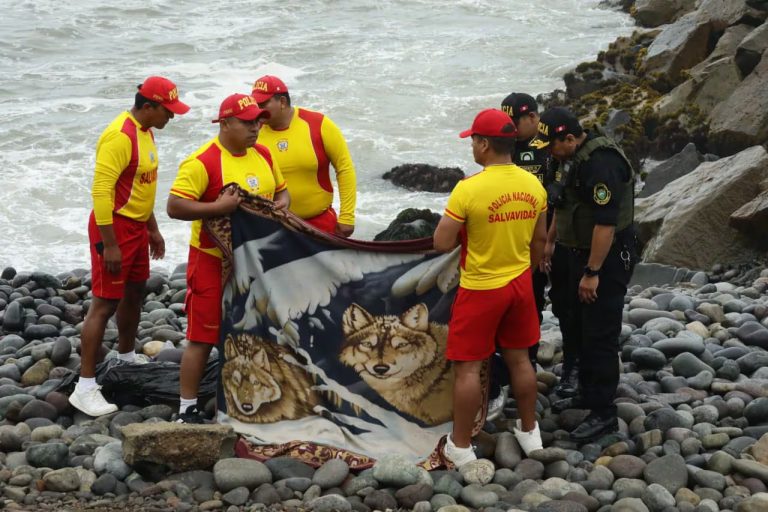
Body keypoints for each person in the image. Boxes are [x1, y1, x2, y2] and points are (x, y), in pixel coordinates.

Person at [69, 76, 190, 417]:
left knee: (135, 292)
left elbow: (142, 186)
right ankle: (85, 387)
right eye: (168, 111)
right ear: (148, 107)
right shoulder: (119, 136)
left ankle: (125, 357)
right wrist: (109, 244)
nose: (172, 117)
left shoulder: (147, 132)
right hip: (114, 227)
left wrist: (153, 229)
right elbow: (101, 191)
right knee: (104, 303)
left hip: (137, 227)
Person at [434, 108, 547, 467]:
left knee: (468, 369)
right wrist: (524, 270)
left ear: (484, 144)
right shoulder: (534, 185)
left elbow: (441, 242)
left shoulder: (468, 189)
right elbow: (540, 241)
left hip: (481, 287)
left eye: (473, 141)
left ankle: (460, 445)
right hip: (520, 284)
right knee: (520, 360)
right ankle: (529, 431)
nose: (472, 147)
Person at [167, 93, 290, 423]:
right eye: (248, 122)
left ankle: (254, 401)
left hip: (256, 259)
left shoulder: (263, 153)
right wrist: (218, 208)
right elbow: (174, 206)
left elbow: (282, 189)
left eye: (258, 121)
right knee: (202, 336)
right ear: (225, 124)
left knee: (257, 331)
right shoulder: (203, 162)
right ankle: (187, 408)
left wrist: (282, 204)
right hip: (211, 259)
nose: (256, 128)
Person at [530, 106, 636, 442]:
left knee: (599, 332)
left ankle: (604, 412)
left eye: (551, 145)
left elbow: (605, 225)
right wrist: (550, 243)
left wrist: (592, 273)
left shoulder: (601, 164)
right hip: (573, 249)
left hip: (606, 256)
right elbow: (562, 205)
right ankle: (586, 393)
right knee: (575, 321)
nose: (548, 153)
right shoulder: (566, 158)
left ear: (570, 138)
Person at [502, 93, 576, 396]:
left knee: (566, 304)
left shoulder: (551, 145)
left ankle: (572, 368)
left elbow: (566, 188)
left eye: (513, 123)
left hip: (556, 237)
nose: (509, 128)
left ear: (532, 117)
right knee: (524, 305)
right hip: (517, 241)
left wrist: (551, 238)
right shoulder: (504, 146)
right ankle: (522, 366)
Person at [251, 75, 356, 237]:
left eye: (263, 104)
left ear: (282, 102)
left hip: (320, 223)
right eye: (256, 105)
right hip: (274, 227)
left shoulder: (319, 124)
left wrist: (347, 216)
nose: (258, 110)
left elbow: (345, 168)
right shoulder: (252, 133)